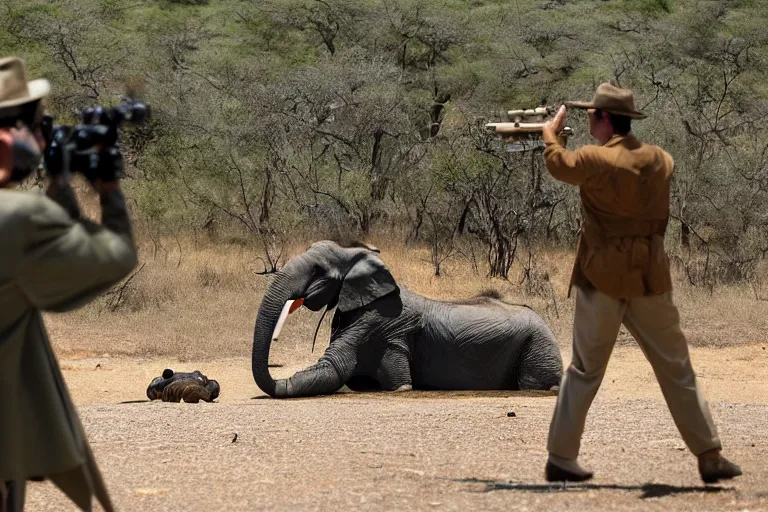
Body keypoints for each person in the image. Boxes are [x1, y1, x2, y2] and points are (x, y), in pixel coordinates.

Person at [539, 82, 742, 484]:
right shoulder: (661, 160)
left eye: (591, 115)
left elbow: (560, 166)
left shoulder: (596, 159)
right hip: (651, 277)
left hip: (603, 278)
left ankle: (561, 457)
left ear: (602, 119)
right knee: (677, 368)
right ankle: (709, 454)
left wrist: (549, 138)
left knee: (583, 370)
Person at [0, 57, 137, 511]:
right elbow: (114, 256)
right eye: (30, 127)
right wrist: (107, 189)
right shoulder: (17, 219)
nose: (38, 138)